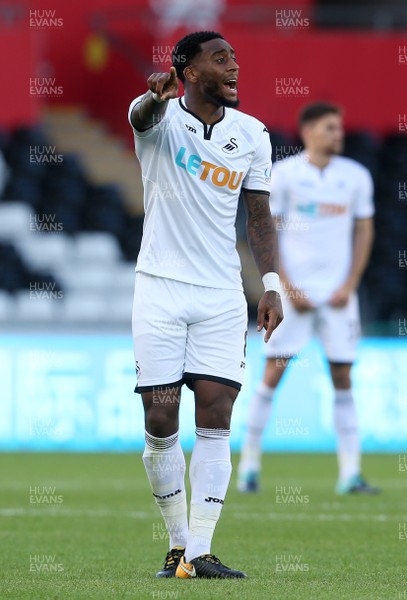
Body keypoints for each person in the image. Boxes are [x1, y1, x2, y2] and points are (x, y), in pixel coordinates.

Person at [128, 31, 283, 579]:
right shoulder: (159, 120)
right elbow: (143, 115)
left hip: (220, 293)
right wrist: (154, 96)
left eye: (235, 58)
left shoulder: (253, 134)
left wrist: (270, 284)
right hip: (160, 288)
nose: (234, 67)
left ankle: (199, 551)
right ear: (188, 72)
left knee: (216, 412)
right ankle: (176, 544)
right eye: (221, 59)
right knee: (161, 415)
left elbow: (259, 216)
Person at [238, 102, 380, 496]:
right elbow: (269, 230)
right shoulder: (284, 176)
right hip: (292, 295)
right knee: (273, 373)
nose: (339, 134)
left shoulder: (355, 177)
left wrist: (349, 284)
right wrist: (287, 284)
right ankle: (249, 467)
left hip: (338, 295)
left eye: (340, 128)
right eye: (331, 128)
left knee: (343, 376)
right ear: (309, 132)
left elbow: (364, 231)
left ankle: (350, 473)